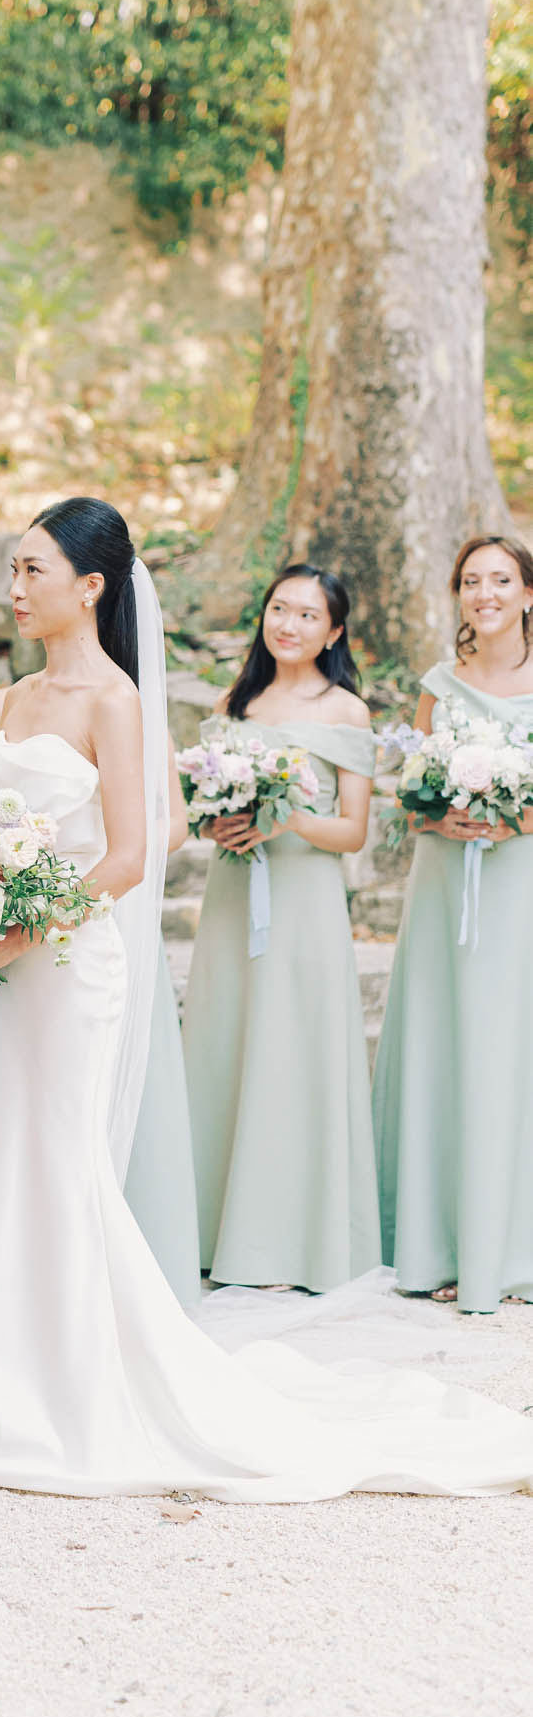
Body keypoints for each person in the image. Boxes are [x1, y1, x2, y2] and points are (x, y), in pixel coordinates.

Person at [0, 496, 533, 1501]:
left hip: (68, 966)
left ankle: (79, 1388)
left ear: (89, 585)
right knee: (7, 1164)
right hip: (0, 970)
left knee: (62, 1163)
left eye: (32, 568)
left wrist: (12, 923)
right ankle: (4, 1380)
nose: (13, 585)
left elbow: (130, 854)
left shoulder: (118, 700)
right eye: (13, 566)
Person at [181, 566, 380, 1294]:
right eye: (277, 609)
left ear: (332, 632)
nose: (287, 624)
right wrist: (221, 822)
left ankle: (290, 1244)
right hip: (234, 893)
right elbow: (203, 807)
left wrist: (283, 816)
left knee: (294, 1052)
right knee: (227, 1044)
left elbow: (352, 831)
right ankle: (212, 1229)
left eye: (306, 614)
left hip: (303, 902)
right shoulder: (234, 703)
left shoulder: (344, 712)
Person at [374, 535, 533, 1313]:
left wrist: (516, 819)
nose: (484, 593)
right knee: (448, 1045)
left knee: (513, 1045)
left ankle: (512, 1248)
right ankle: (440, 1243)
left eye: (499, 579)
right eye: (470, 581)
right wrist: (445, 814)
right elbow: (409, 795)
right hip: (446, 885)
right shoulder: (439, 687)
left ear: (527, 592)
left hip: (520, 881)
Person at [123, 739, 201, 1309]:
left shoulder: (146, 720)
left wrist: (114, 849)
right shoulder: (4, 703)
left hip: (116, 900)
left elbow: (176, 823)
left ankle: (147, 1246)